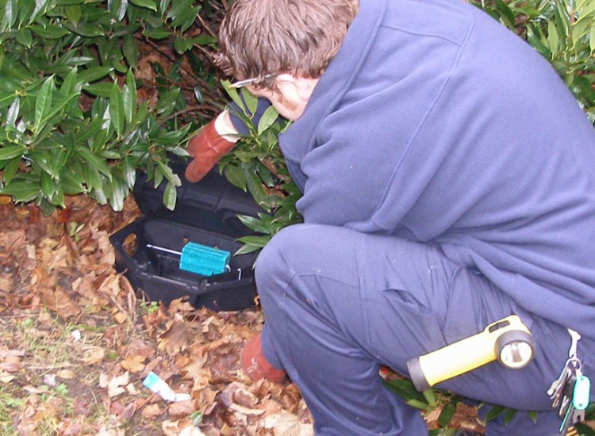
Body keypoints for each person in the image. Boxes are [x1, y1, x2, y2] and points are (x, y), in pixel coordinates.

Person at [185, 0, 595, 434]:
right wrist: (233, 121)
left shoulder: (365, 146)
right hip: (555, 266)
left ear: (291, 81)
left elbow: (318, 282)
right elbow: (323, 73)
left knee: (290, 271)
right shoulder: (407, 16)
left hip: (560, 338)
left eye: (266, 94)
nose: (266, 101)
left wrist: (273, 349)